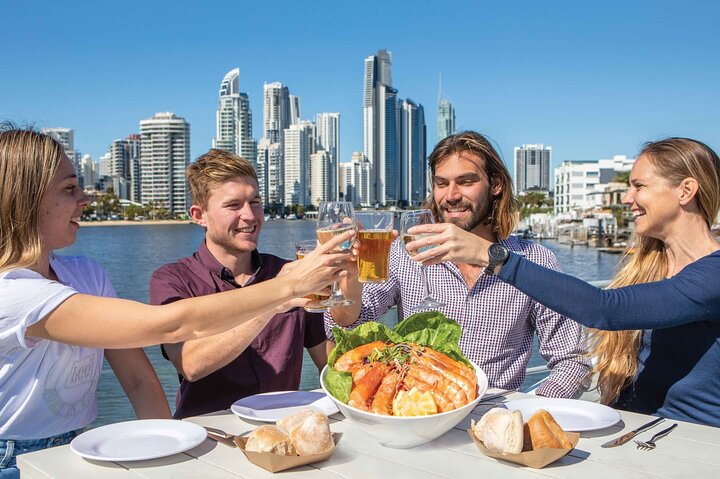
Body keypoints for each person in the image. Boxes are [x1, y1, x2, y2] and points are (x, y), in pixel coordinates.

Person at [0, 126, 353, 476]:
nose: (85, 199)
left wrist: (167, 455)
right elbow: (172, 324)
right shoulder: (13, 292)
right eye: (68, 188)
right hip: (10, 455)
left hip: (76, 443)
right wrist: (285, 289)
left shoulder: (86, 274)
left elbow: (139, 379)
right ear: (27, 199)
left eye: (255, 202)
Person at [409, 137, 720, 427]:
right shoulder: (651, 264)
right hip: (633, 427)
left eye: (638, 186)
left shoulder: (714, 274)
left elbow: (604, 310)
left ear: (685, 190)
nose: (628, 198)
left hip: (690, 440)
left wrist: (492, 256)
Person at [327, 131, 591, 398]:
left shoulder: (535, 260)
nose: (451, 195)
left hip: (493, 416)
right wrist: (350, 274)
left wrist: (528, 415)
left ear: (496, 183)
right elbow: (346, 324)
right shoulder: (403, 253)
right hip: (419, 414)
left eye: (466, 182)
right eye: (442, 184)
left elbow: (573, 360)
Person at [149, 149, 329, 418]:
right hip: (209, 437)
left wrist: (350, 282)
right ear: (199, 215)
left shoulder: (288, 271)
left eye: (255, 202)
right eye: (234, 206)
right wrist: (276, 298)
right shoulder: (172, 279)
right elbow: (190, 364)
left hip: (284, 431)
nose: (250, 215)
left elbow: (331, 364)